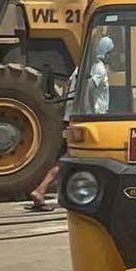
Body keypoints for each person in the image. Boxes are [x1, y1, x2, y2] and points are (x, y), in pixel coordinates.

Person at [30, 34, 114, 211]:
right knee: (70, 158)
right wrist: (89, 117)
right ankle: (40, 191)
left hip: (71, 118)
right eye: (111, 52)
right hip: (88, 120)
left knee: (75, 158)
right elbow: (88, 92)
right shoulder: (97, 68)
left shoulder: (80, 68)